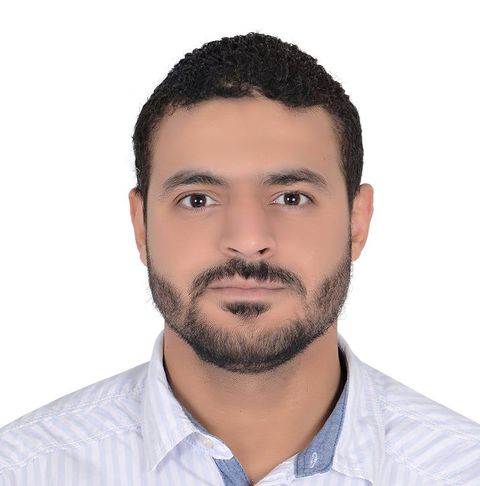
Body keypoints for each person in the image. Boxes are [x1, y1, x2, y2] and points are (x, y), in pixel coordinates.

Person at [1, 32, 479, 486]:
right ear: (141, 227)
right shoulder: (22, 470)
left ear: (357, 222)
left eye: (291, 197)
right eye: (197, 199)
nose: (248, 241)